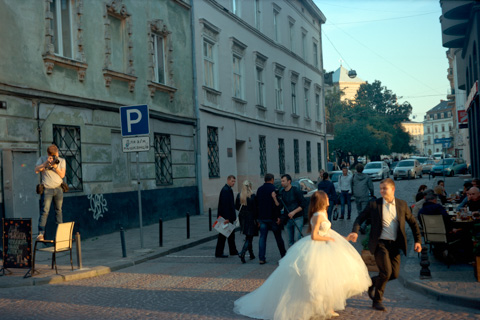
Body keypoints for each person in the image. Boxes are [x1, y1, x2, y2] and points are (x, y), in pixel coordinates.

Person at [234, 191, 371, 320]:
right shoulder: (317, 215)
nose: (329, 199)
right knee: (317, 279)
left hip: (327, 246)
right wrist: (328, 239)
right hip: (317, 248)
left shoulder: (323, 213)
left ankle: (328, 306)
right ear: (322, 201)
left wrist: (345, 238)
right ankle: (317, 306)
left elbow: (329, 231)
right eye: (327, 198)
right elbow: (314, 235)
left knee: (328, 279)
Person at [347, 178, 422, 312]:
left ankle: (372, 283)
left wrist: (417, 241)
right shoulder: (374, 205)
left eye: (384, 188)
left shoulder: (402, 205)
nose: (381, 191)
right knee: (386, 272)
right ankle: (377, 300)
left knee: (395, 274)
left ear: (393, 189)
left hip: (395, 245)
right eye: (380, 188)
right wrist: (355, 231)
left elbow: (413, 223)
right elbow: (360, 218)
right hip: (380, 243)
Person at [35, 144, 66, 240]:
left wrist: (55, 167)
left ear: (57, 153)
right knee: (45, 211)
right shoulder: (43, 159)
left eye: (55, 155)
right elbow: (36, 170)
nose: (53, 157)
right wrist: (45, 163)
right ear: (48, 154)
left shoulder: (61, 160)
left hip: (58, 189)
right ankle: (41, 233)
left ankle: (60, 234)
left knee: (59, 211)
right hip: (47, 189)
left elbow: (62, 175)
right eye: (51, 155)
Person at [256, 173, 286, 264]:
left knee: (262, 238)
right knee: (278, 237)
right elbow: (278, 206)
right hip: (273, 218)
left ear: (265, 179)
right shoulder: (274, 189)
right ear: (272, 180)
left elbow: (257, 204)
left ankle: (261, 258)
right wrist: (278, 217)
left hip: (262, 217)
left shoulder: (259, 190)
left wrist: (258, 218)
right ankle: (283, 255)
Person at [278, 174, 305, 247]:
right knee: (290, 241)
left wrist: (294, 212)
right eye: (281, 181)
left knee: (297, 239)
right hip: (287, 219)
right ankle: (291, 257)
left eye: (283, 181)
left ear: (289, 181)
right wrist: (275, 198)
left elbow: (303, 204)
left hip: (298, 218)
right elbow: (279, 206)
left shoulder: (296, 190)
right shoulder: (282, 192)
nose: (282, 183)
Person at [214, 175, 238, 258]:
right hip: (225, 218)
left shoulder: (228, 189)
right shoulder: (225, 190)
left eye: (234, 181)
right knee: (223, 235)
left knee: (231, 234)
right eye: (232, 181)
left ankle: (233, 250)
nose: (233, 183)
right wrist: (226, 218)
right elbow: (225, 205)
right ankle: (219, 252)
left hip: (228, 217)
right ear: (228, 180)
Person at [235, 180, 258, 263]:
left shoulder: (239, 195)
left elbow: (237, 207)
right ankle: (242, 252)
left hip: (243, 218)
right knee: (249, 237)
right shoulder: (252, 196)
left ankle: (251, 254)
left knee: (248, 236)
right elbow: (255, 209)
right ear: (250, 187)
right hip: (251, 218)